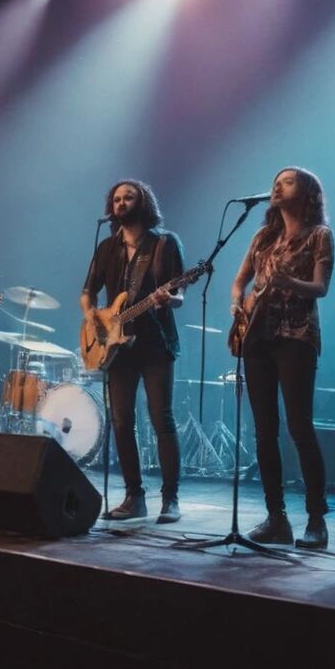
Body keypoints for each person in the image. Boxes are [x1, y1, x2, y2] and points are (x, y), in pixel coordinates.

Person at [230, 168, 334, 549]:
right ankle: (277, 518)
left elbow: (320, 288)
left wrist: (288, 283)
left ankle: (316, 519)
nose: (277, 185)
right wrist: (236, 301)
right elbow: (240, 280)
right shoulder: (263, 236)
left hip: (296, 337)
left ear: (306, 192)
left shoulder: (319, 235)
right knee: (264, 431)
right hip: (257, 337)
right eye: (276, 180)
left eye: (287, 181)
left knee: (300, 427)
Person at [81, 180, 185, 523]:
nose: (121, 202)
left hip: (155, 344)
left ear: (143, 203)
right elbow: (88, 292)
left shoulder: (164, 244)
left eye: (128, 197)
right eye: (116, 198)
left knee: (161, 420)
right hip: (116, 348)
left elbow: (180, 291)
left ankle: (170, 498)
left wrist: (169, 300)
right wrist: (93, 319)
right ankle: (134, 497)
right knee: (122, 422)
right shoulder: (107, 247)